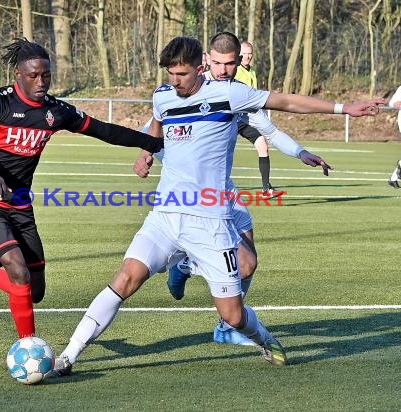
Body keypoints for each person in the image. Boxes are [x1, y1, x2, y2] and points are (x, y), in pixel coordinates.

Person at [52, 36, 383, 375]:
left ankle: (264, 339)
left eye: (181, 74)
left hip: (211, 223)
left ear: (200, 67)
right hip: (165, 215)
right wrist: (146, 153)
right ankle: (68, 356)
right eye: (170, 74)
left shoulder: (230, 94)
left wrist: (344, 109)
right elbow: (155, 124)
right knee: (125, 278)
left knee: (233, 315)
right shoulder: (163, 96)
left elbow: (284, 102)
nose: (174, 81)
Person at [0, 38, 163, 339]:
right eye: (34, 75)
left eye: (46, 75)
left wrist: (155, 144)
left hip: (21, 204)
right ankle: (29, 345)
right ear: (18, 76)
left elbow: (104, 131)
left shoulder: (54, 111)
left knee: (35, 292)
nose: (41, 82)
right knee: (18, 272)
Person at [134, 32, 332, 347]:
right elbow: (152, 129)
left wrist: (300, 153)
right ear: (205, 62)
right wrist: (149, 154)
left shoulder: (237, 93)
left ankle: (201, 287)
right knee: (244, 260)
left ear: (239, 62)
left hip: (224, 191)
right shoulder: (184, 90)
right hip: (192, 196)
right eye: (217, 63)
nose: (224, 70)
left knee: (250, 261)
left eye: (230, 64)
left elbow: (269, 129)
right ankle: (211, 298)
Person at [234, 40, 275, 195]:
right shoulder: (235, 70)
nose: (248, 56)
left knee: (262, 145)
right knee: (219, 152)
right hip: (233, 118)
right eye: (244, 54)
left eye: (250, 53)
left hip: (247, 119)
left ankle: (266, 188)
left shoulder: (251, 72)